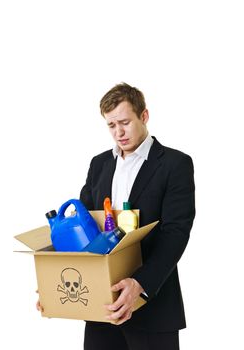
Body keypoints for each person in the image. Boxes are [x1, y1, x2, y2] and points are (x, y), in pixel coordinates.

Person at [37, 82, 195, 350]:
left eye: (125, 122)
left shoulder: (175, 164)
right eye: (111, 125)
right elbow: (82, 232)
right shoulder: (99, 164)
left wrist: (141, 284)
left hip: (152, 306)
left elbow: (175, 233)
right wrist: (55, 283)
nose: (119, 132)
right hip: (102, 307)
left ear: (144, 116)